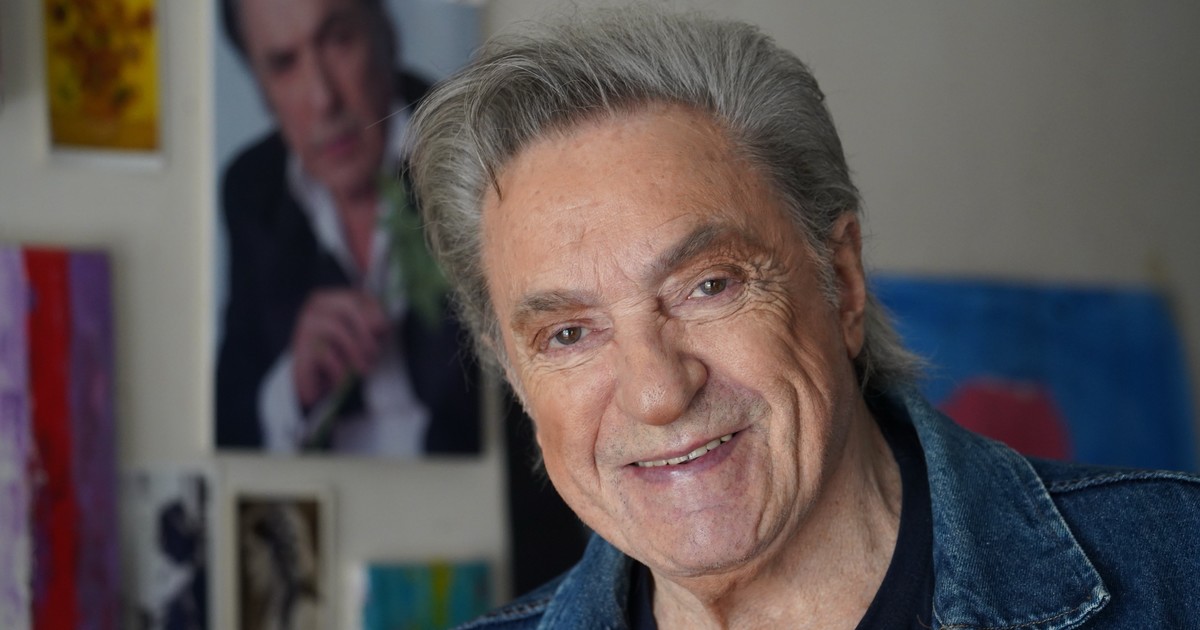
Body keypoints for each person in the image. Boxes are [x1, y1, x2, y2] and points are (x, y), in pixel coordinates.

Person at [406, 8, 1200, 627]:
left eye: (708, 286)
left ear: (842, 280)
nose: (657, 393)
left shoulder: (1177, 571)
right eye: (568, 334)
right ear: (514, 375)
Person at [215, 0, 478, 456]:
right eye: (284, 64)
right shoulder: (252, 189)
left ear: (384, 33)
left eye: (339, 40)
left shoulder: (473, 145)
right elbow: (230, 419)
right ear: (261, 91)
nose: (323, 99)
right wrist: (292, 385)